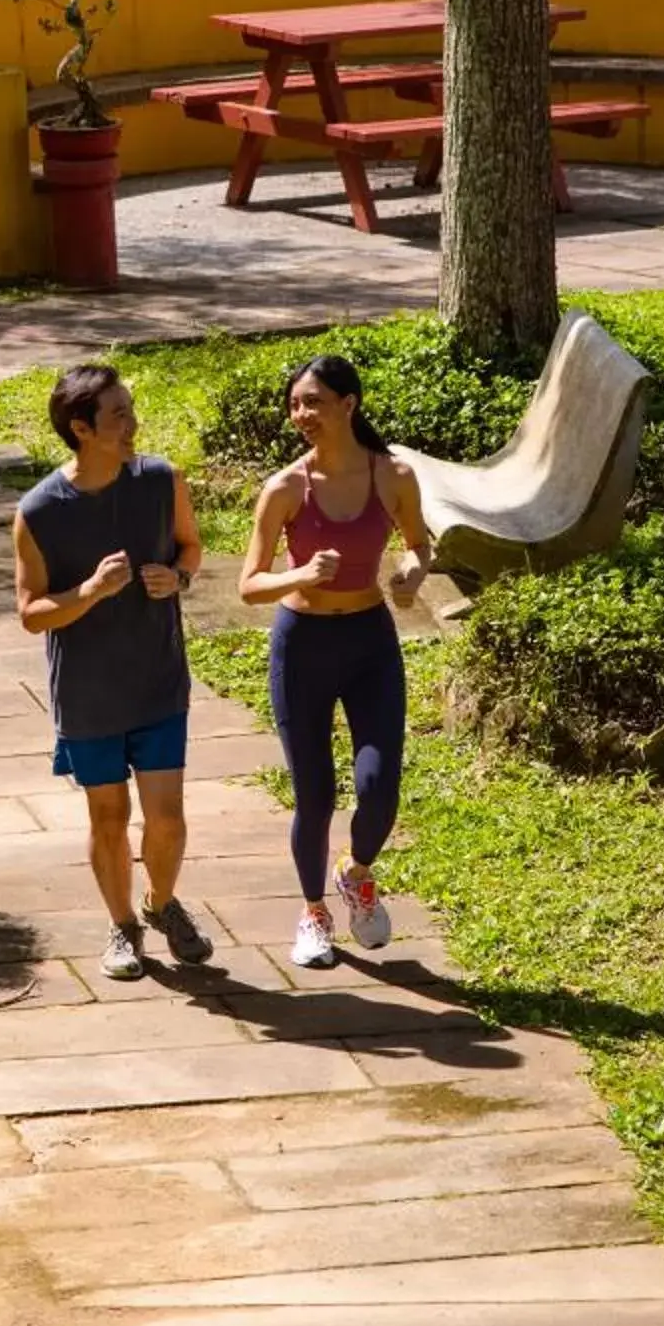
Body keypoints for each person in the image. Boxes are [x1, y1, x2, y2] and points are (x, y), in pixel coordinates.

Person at [13, 363, 212, 980]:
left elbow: (192, 549)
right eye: (119, 413)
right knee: (108, 818)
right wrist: (93, 591)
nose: (133, 423)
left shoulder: (161, 479)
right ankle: (122, 925)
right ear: (81, 428)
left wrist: (175, 577)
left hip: (158, 682)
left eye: (131, 408)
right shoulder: (38, 511)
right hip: (89, 695)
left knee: (168, 820)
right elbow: (32, 613)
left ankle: (161, 904)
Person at [237, 352, 432, 969]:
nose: (301, 415)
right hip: (303, 645)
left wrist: (411, 571)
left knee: (379, 787)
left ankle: (357, 871)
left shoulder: (393, 476)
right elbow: (249, 583)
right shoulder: (286, 489)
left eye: (313, 402)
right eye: (295, 404)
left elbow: (419, 543)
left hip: (370, 642)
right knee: (314, 794)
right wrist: (299, 573)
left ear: (349, 405)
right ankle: (314, 913)